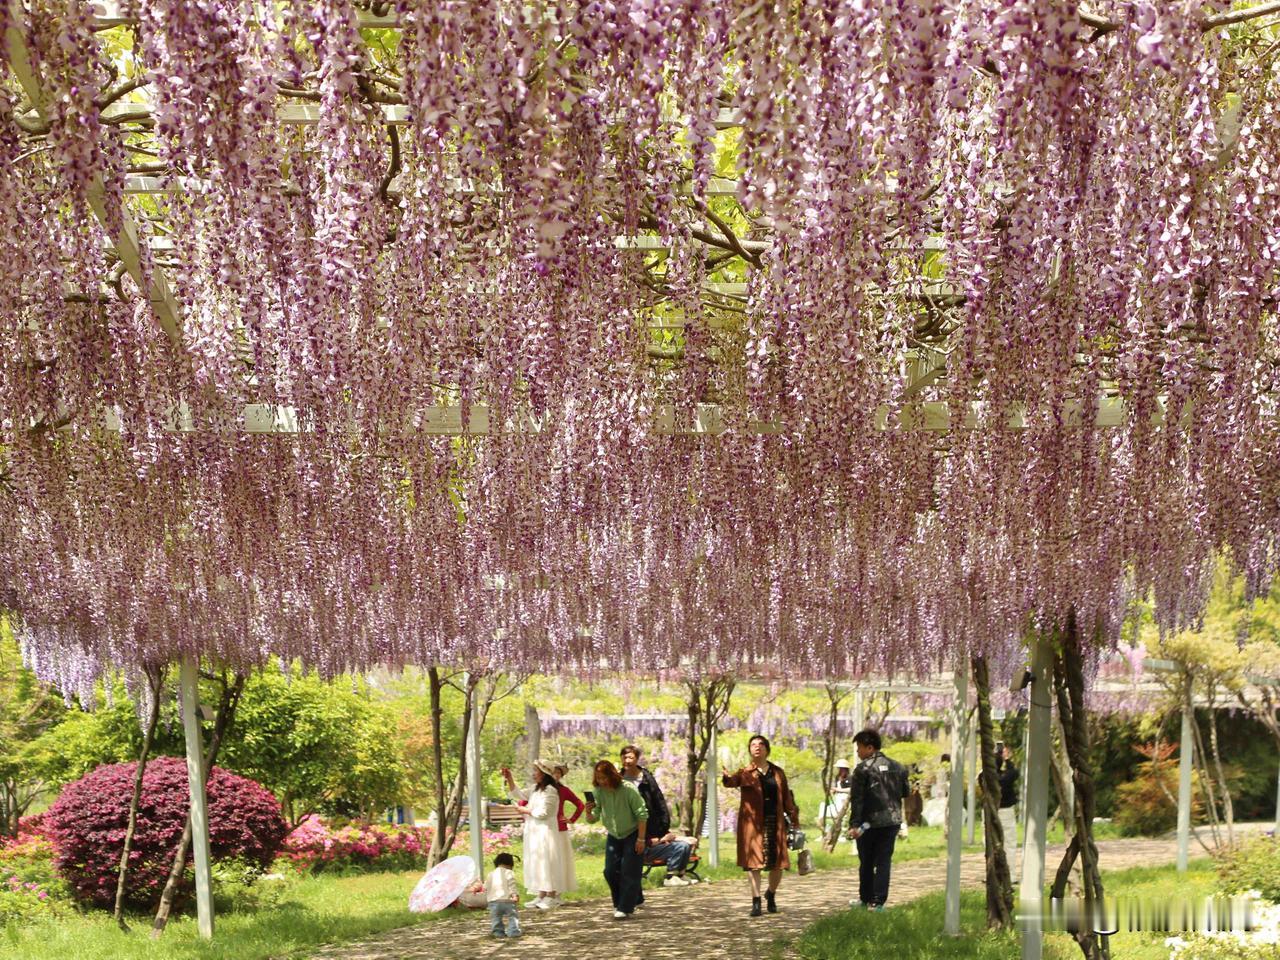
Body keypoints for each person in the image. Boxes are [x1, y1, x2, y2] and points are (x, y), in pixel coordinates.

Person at [722, 734, 800, 917]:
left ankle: (771, 894)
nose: (757, 747)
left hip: (775, 821)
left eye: (761, 744)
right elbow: (732, 782)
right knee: (753, 863)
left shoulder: (778, 772)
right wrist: (726, 777)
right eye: (753, 745)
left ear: (767, 749)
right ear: (750, 750)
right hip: (752, 825)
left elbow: (787, 798)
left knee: (777, 864)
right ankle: (756, 901)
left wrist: (794, 820)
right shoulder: (745, 772)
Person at [847, 728, 910, 910]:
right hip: (892, 821)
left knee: (866, 861)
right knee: (883, 861)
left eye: (859, 747)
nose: (857, 752)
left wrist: (854, 824)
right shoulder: (899, 767)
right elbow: (905, 792)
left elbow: (857, 799)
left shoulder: (863, 769)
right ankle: (878, 902)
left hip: (868, 823)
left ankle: (865, 898)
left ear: (869, 748)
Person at [620, 745, 694, 889]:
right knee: (680, 846)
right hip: (635, 836)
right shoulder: (619, 779)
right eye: (624, 757)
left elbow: (659, 801)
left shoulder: (646, 777)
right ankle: (671, 876)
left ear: (637, 759)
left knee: (684, 845)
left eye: (630, 757)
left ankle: (678, 875)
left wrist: (663, 829)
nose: (627, 760)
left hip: (650, 829)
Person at [584, 759, 648, 920]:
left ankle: (624, 907)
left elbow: (642, 814)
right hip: (614, 835)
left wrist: (641, 839)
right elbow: (594, 818)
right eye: (598, 778)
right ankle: (635, 897)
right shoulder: (599, 792)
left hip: (633, 833)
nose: (602, 781)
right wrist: (589, 812)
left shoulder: (628, 789)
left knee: (629, 870)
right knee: (610, 871)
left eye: (604, 778)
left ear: (612, 775)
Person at [513, 761, 574, 910]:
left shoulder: (551, 791)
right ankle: (541, 894)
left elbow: (544, 813)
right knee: (538, 862)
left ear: (544, 774)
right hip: (535, 831)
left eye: (536, 771)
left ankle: (551, 895)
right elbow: (518, 794)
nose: (533, 774)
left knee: (548, 862)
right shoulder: (535, 789)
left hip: (546, 832)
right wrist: (509, 779)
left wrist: (525, 810)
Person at [485, 852, 521, 938]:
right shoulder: (509, 872)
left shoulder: (491, 874)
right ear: (510, 863)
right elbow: (511, 885)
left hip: (494, 901)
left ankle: (498, 933)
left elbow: (485, 886)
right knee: (512, 916)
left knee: (496, 918)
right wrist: (514, 895)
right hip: (508, 900)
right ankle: (513, 932)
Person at [996, 743, 1019, 853]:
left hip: (990, 811)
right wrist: (1006, 759)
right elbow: (1014, 772)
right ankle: (1009, 864)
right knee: (1009, 843)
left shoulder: (984, 777)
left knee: (991, 842)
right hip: (1006, 811)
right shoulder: (1006, 777)